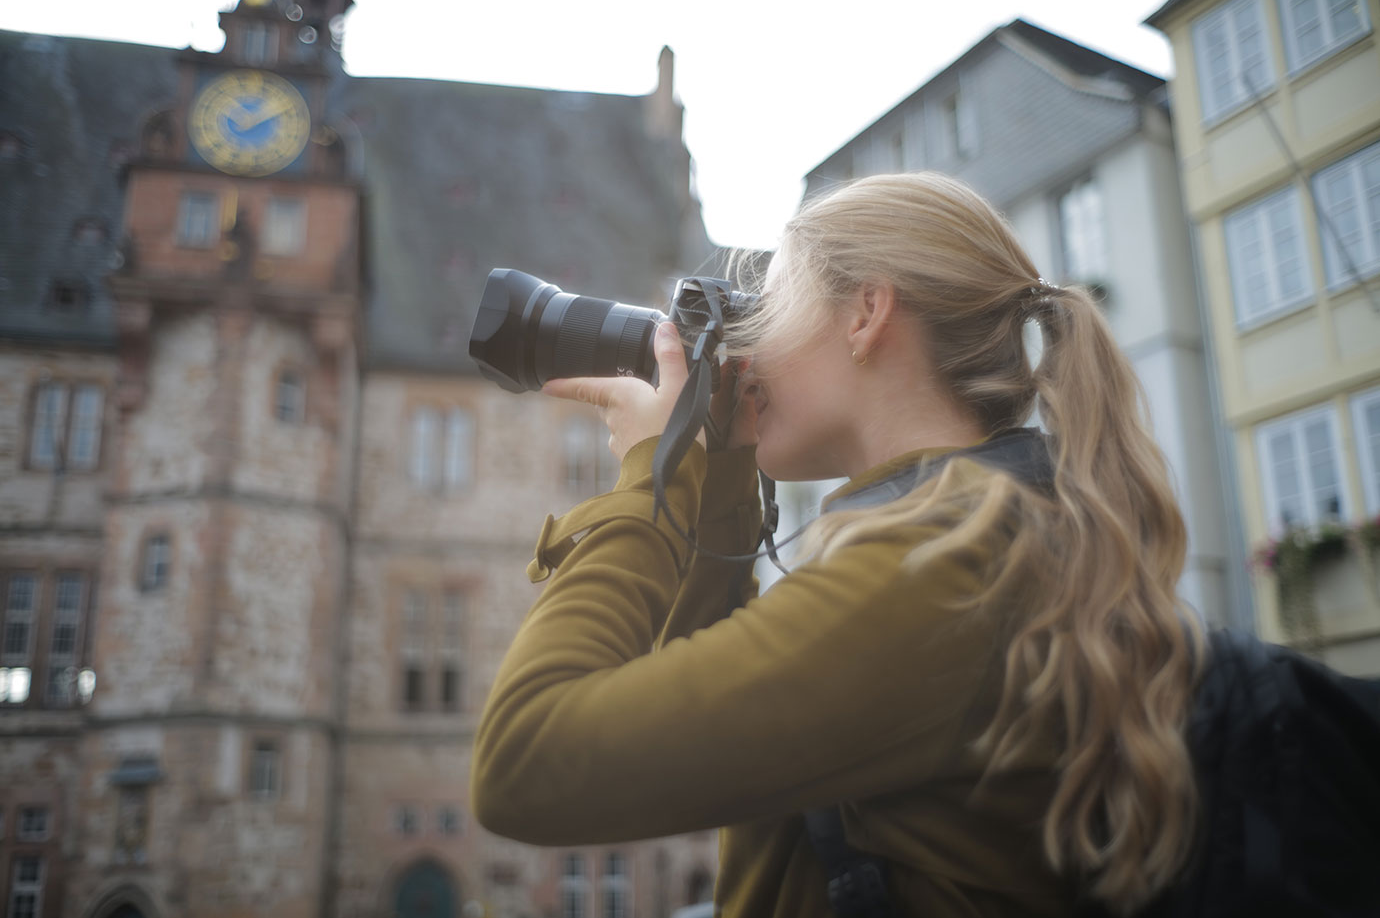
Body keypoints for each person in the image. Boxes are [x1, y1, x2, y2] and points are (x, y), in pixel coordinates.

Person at [471, 172, 1204, 917]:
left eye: (773, 306)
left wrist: (645, 482)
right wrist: (716, 474)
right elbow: (695, 726)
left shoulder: (938, 569)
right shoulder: (994, 531)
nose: (747, 346)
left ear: (866, 313)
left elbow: (523, 765)